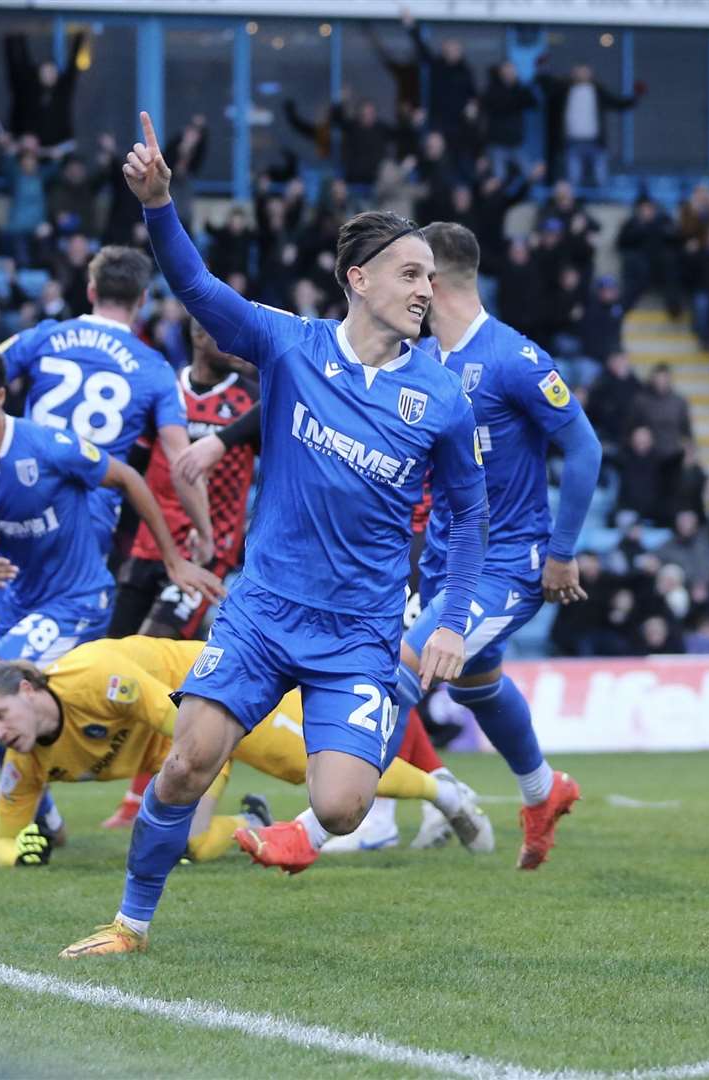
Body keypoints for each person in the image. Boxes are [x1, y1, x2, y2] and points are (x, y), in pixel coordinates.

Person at [60, 112, 487, 958]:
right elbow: (202, 293)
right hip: (263, 611)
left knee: (339, 807)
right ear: (358, 280)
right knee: (186, 763)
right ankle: (131, 922)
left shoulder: (441, 399)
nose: (423, 292)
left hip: (361, 630)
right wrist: (158, 209)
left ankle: (319, 815)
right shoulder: (293, 348)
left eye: (431, 280)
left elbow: (470, 514)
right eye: (409, 274)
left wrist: (450, 616)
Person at [240, 221, 602, 867]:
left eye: (415, 273)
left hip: (504, 562)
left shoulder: (511, 359)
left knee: (401, 667)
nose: (408, 286)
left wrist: (562, 550)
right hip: (442, 561)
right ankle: (543, 792)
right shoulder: (425, 363)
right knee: (474, 684)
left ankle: (312, 833)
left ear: (437, 282)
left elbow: (584, 446)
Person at [0, 250, 209, 832]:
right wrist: (196, 541)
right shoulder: (154, 367)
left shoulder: (46, 337)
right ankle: (36, 800)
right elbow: (176, 458)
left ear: (89, 288)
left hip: (14, 512)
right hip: (83, 514)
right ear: (141, 301)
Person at [0, 636, 479, 870]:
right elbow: (0, 839)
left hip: (220, 696)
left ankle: (444, 793)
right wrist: (17, 850)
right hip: (183, 754)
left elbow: (179, 723)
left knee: (316, 770)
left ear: (26, 690)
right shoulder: (25, 760)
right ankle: (251, 822)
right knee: (188, 846)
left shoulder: (93, 678)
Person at [109, 320, 256, 641]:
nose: (236, 345)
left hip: (208, 550)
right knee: (115, 645)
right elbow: (138, 464)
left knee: (154, 644)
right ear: (199, 336)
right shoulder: (167, 391)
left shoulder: (251, 397)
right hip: (152, 543)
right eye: (227, 336)